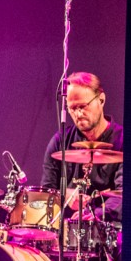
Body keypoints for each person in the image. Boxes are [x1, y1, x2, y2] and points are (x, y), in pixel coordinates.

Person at [40, 72, 124, 224]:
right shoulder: (60, 141)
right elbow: (46, 190)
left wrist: (97, 214)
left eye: (83, 106)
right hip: (68, 228)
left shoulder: (122, 140)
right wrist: (64, 195)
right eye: (72, 108)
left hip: (109, 228)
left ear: (101, 100)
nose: (78, 114)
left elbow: (123, 193)